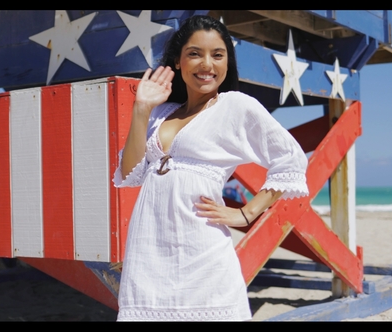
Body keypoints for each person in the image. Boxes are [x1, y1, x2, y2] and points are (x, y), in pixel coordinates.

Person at [113, 15, 309, 321]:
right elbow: (129, 174)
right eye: (195, 53)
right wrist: (141, 109)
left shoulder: (235, 106)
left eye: (218, 55)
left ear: (227, 62)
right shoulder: (161, 113)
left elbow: (291, 158)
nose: (207, 64)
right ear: (178, 62)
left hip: (202, 250)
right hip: (149, 251)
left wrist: (247, 213)